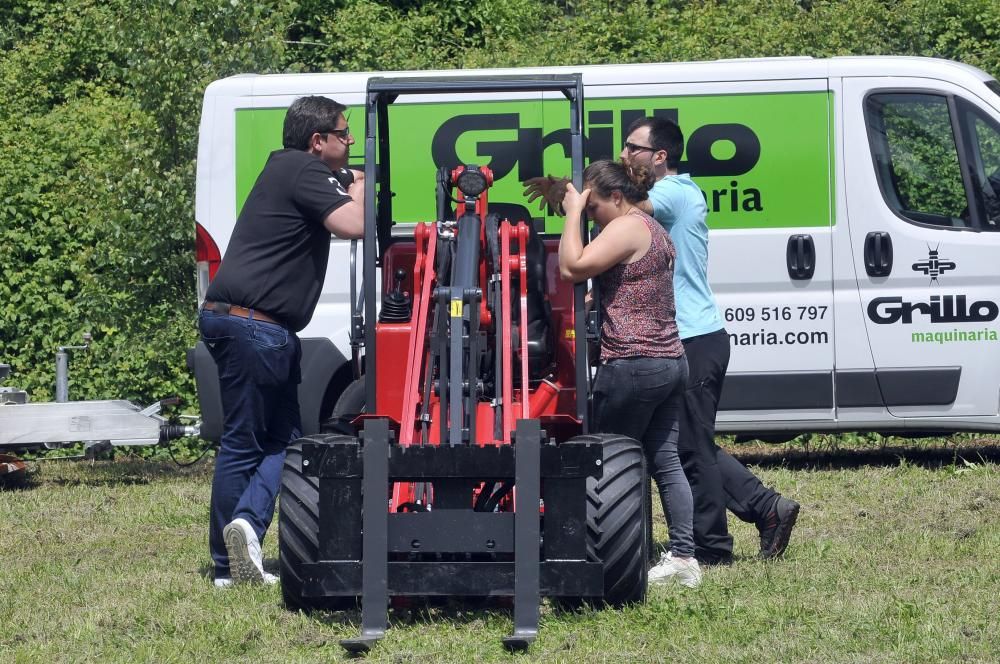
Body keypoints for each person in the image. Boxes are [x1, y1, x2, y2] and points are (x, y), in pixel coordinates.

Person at [525, 117, 799, 564]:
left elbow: (623, 206)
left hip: (687, 337)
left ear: (660, 157)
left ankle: (713, 547)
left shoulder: (672, 193)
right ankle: (763, 507)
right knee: (684, 447)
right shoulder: (655, 200)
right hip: (682, 339)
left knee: (688, 451)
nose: (624, 155)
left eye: (632, 148)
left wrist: (573, 199)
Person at [198, 96, 365, 587]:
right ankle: (229, 563)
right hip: (256, 327)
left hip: (257, 326)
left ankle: (243, 531)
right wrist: (360, 185)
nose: (350, 142)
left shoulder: (289, 170)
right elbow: (352, 225)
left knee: (287, 442)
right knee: (248, 442)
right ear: (319, 141)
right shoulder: (301, 169)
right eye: (344, 133)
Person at [559, 159, 701, 588]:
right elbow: (629, 285)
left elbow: (571, 268)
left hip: (635, 364)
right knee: (664, 460)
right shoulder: (650, 228)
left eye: (594, 207)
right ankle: (683, 557)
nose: (591, 217)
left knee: (607, 461)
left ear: (616, 197)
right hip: (670, 361)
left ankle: (612, 552)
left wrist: (569, 216)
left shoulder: (625, 227)